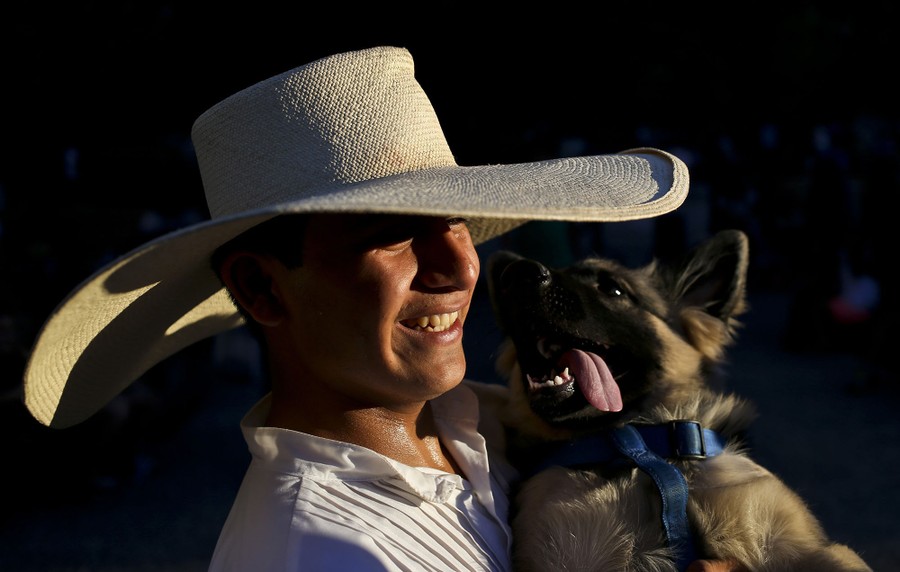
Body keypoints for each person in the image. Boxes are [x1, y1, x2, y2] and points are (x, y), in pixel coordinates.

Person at [23, 47, 743, 571]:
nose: (462, 267)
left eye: (457, 222)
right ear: (262, 288)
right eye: (392, 234)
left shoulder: (473, 420)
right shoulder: (318, 552)